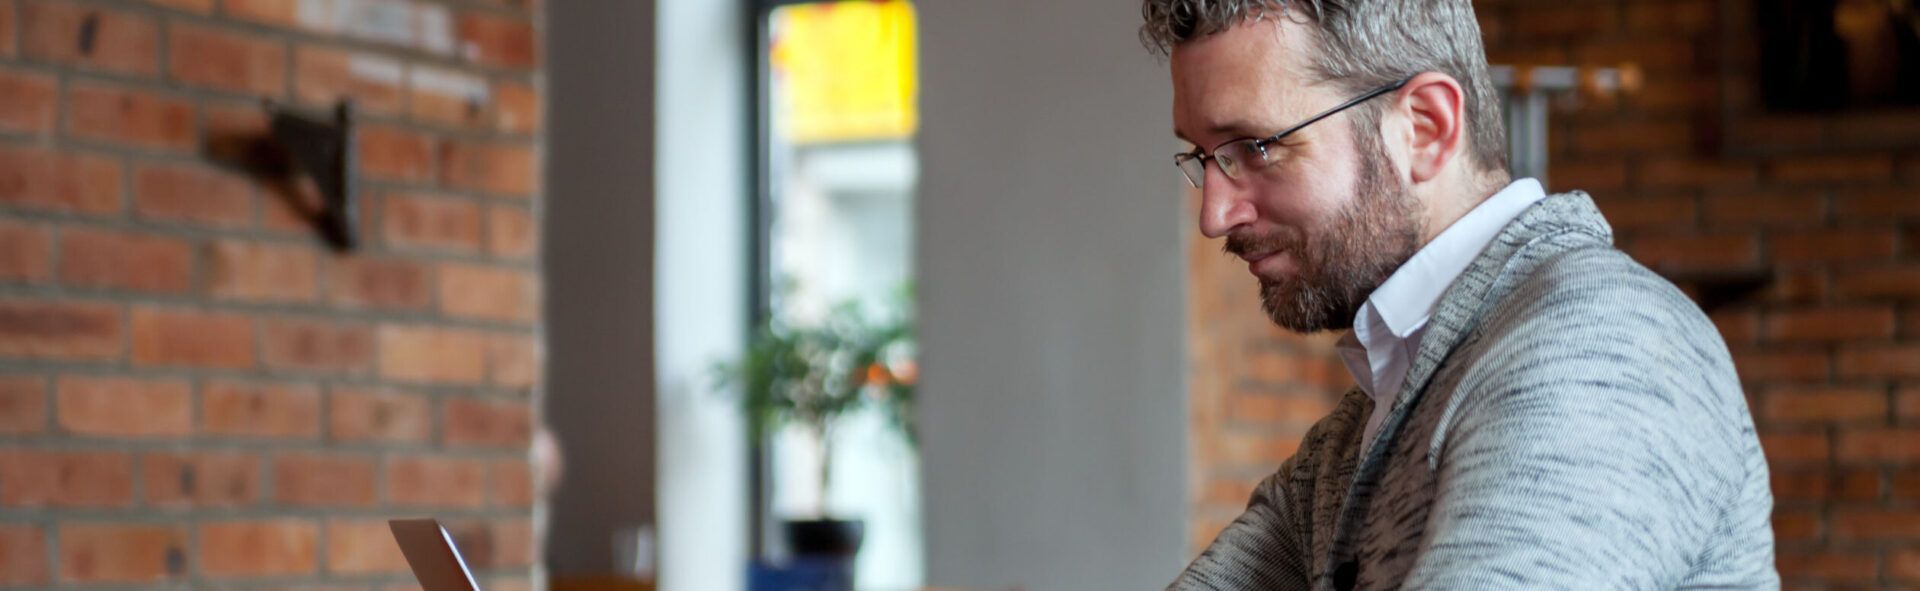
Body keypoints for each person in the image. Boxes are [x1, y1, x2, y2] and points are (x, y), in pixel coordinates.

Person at [1142, 1, 1778, 588]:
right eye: (1204, 157)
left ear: (1424, 127)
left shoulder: (1601, 345)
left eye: (1255, 147)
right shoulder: (1359, 432)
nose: (1214, 215)